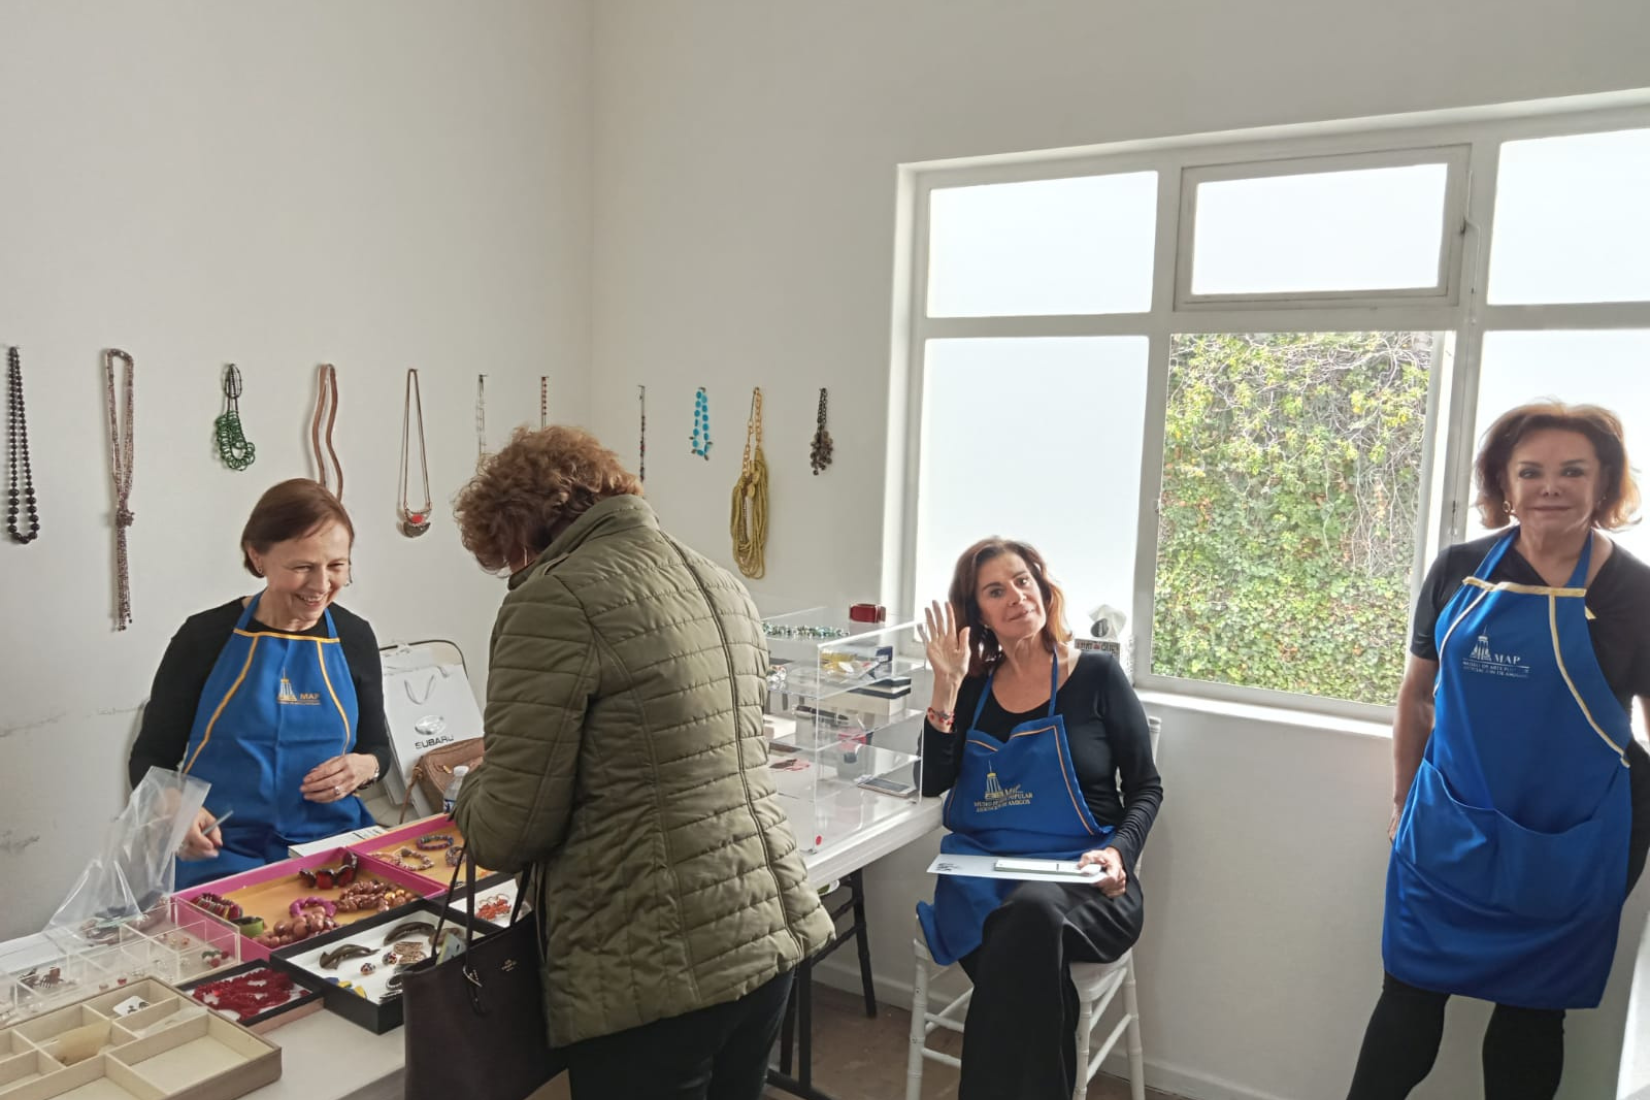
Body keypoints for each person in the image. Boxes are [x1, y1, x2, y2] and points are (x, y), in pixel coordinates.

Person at [450, 426, 832, 1100]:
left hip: (652, 963)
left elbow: (510, 830)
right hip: (765, 929)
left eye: (507, 555)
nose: (511, 571)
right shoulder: (716, 579)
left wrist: (470, 786)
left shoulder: (553, 598)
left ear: (520, 530)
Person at [1346, 402, 1650, 1100]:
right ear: (1504, 485)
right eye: (1531, 471)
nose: (1551, 486)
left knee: (1532, 1018)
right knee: (1408, 998)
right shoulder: (1458, 569)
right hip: (1449, 827)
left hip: (1572, 842)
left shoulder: (1637, 593)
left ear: (1604, 483)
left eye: (1573, 471)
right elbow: (1417, 696)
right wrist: (1403, 798)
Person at [916, 537, 1163, 1100]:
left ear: (1043, 588)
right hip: (982, 878)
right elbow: (931, 782)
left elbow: (1146, 787)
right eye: (994, 591)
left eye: (1022, 580)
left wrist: (1118, 852)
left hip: (1085, 877)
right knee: (1030, 964)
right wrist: (945, 686)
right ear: (978, 613)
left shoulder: (1098, 676)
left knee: (1026, 921)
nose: (1015, 597)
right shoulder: (972, 688)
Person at [129, 479, 386, 890]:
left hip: (331, 851)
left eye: (337, 566)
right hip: (219, 853)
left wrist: (365, 767)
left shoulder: (354, 638)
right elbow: (150, 757)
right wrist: (173, 804)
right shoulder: (204, 637)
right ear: (257, 556)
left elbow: (377, 747)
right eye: (302, 567)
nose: (321, 585)